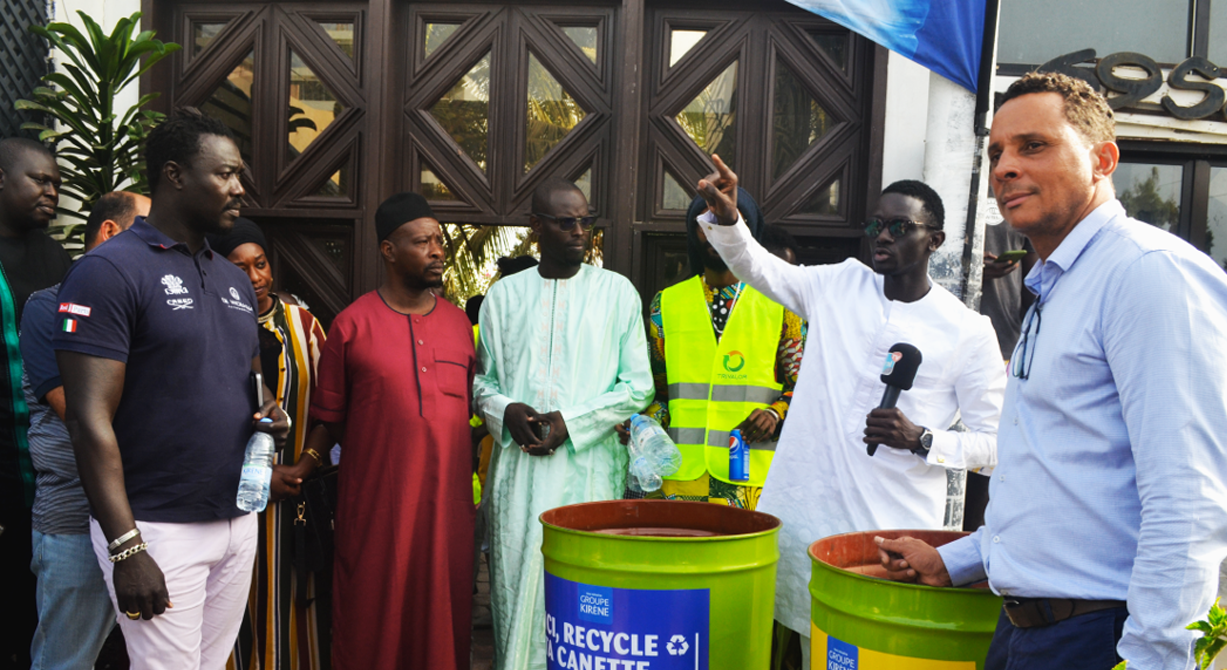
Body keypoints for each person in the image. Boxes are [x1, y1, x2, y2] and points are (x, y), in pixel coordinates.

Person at [874, 71, 1227, 670]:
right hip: (1026, 630)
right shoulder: (1056, 285)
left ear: (1102, 160)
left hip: (1101, 636)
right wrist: (958, 559)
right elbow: (1053, 482)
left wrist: (1154, 660)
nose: (1005, 167)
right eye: (996, 153)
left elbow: (1189, 499)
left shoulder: (1147, 275)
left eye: (1032, 146)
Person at [694, 159, 1005, 668]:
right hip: (802, 517)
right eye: (876, 225)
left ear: (936, 240)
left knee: (867, 653)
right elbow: (760, 268)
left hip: (885, 535)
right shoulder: (841, 284)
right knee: (793, 647)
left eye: (899, 227)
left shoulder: (967, 332)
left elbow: (999, 446)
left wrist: (924, 440)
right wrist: (729, 219)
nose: (881, 236)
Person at [52, 110, 290, 670]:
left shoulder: (232, 278)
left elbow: (247, 385)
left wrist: (268, 413)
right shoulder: (108, 272)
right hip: (158, 528)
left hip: (236, 522)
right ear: (175, 175)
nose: (239, 189)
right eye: (225, 175)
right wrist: (126, 547)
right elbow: (88, 420)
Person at [474, 178, 653, 670]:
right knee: (514, 593)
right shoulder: (504, 298)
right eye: (566, 222)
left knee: (586, 605)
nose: (580, 232)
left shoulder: (617, 293)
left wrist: (570, 423)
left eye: (585, 221)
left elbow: (638, 387)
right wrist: (506, 410)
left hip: (590, 472)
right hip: (519, 478)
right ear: (536, 227)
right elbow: (480, 382)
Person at [310, 192, 476, 670]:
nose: (438, 250)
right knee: (370, 621)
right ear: (388, 250)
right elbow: (330, 417)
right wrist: (304, 467)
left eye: (439, 240)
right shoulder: (350, 326)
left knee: (443, 623)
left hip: (446, 515)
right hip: (377, 514)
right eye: (423, 241)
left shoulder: (459, 324)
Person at [22, 191, 149, 670]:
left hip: (151, 517)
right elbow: (76, 410)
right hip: (75, 520)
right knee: (67, 661)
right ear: (110, 232)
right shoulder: (47, 307)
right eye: (149, 229)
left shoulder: (147, 307)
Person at [630, 191, 803, 510]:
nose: (717, 230)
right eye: (706, 222)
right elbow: (660, 393)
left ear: (748, 231)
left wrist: (773, 414)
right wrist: (643, 424)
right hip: (679, 477)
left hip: (752, 481)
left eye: (728, 221)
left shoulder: (782, 304)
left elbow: (805, 387)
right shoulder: (664, 305)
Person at [210, 218, 330, 670]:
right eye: (239, 268)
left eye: (260, 264)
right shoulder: (207, 321)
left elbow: (330, 410)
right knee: (228, 611)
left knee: (290, 607)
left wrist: (302, 467)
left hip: (294, 500)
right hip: (227, 498)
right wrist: (257, 476)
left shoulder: (303, 324)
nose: (255, 277)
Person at [0, 137, 72, 669]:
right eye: (39, 180)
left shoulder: (57, 258)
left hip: (49, 461)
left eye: (56, 181)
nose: (52, 190)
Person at [964, 219, 1038, 530]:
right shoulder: (952, 188)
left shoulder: (1020, 203)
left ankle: (976, 532)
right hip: (958, 338)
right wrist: (971, 271)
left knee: (995, 448)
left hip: (1006, 342)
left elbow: (1035, 281)